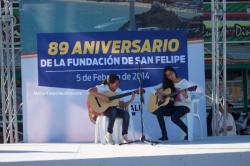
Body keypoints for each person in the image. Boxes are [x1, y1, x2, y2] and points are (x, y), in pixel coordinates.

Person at [151, 66, 197, 141]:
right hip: (173, 107)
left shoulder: (184, 82)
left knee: (174, 118)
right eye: (168, 75)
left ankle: (188, 132)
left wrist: (185, 96)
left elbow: (189, 100)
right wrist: (158, 94)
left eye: (171, 73)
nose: (170, 76)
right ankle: (164, 136)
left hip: (184, 106)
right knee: (159, 113)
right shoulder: (168, 83)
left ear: (174, 72)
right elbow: (151, 88)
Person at [88, 74, 135, 144]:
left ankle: (124, 136)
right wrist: (104, 97)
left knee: (126, 114)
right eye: (116, 84)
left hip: (114, 109)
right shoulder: (103, 87)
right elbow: (90, 90)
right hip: (103, 109)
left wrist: (132, 99)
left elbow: (122, 105)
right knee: (113, 111)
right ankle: (109, 134)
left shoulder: (119, 91)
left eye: (119, 84)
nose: (118, 86)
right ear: (110, 84)